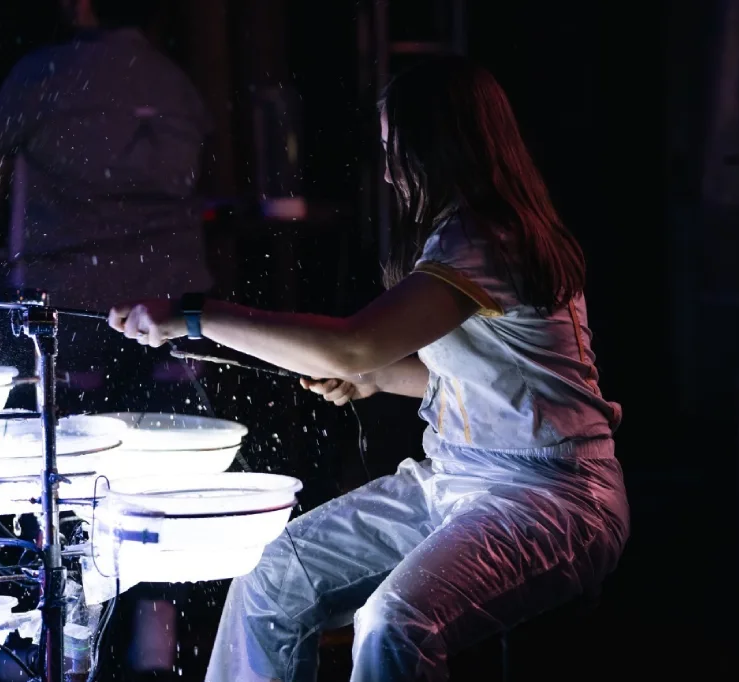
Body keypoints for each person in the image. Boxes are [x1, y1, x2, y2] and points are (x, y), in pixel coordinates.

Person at [108, 56, 630, 682]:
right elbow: (472, 383)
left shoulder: (485, 240)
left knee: (393, 620)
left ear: (438, 146)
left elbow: (350, 346)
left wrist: (195, 314)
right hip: (457, 481)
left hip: (554, 499)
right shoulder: (465, 235)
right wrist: (380, 379)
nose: (386, 171)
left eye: (394, 149)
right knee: (270, 575)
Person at [0, 0, 213, 403]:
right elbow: (200, 176)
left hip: (67, 309)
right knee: (172, 432)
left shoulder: (43, 73)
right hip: (172, 309)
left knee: (70, 439)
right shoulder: (174, 80)